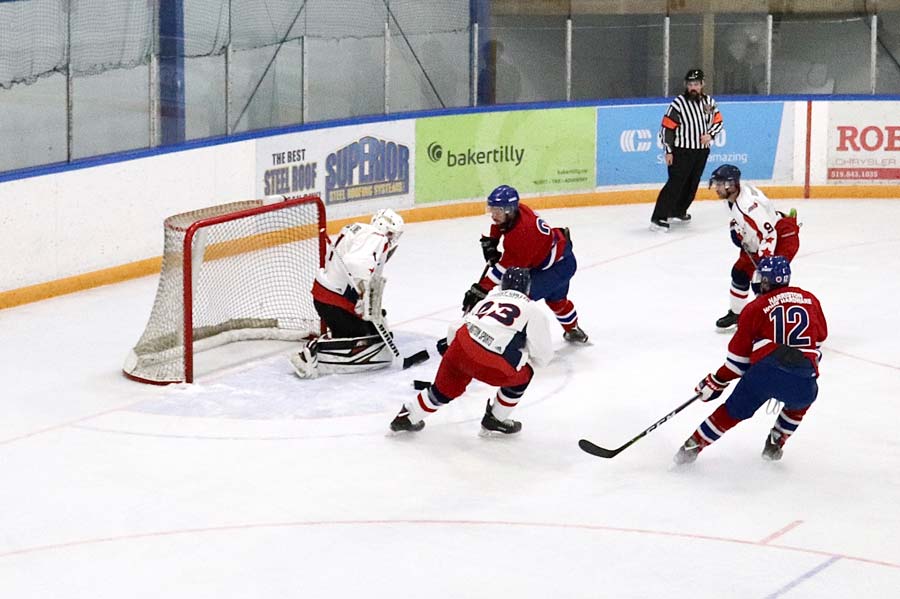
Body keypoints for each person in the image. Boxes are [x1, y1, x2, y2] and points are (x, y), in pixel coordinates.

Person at [674, 256, 827, 464]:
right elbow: (820, 337)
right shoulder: (810, 299)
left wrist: (716, 381)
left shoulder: (756, 307)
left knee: (731, 412)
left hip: (765, 373)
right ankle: (776, 442)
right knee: (802, 400)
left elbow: (738, 363)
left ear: (765, 281)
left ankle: (691, 447)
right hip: (802, 376)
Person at [390, 268, 553, 435]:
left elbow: (455, 328)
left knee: (443, 390)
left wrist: (455, 354)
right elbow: (543, 355)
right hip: (493, 363)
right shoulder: (532, 310)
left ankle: (406, 417)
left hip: (459, 347)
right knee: (525, 373)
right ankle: (496, 418)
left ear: (502, 285)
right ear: (528, 288)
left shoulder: (486, 301)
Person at [461, 184, 588, 343]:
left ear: (509, 210)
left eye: (497, 211)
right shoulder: (518, 212)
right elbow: (500, 226)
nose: (493, 215)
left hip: (556, 268)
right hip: (559, 259)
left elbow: (503, 269)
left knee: (515, 297)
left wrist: (480, 289)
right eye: (491, 209)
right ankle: (573, 329)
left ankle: (514, 341)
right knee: (556, 300)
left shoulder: (523, 235)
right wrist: (493, 241)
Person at [290, 208, 404, 378]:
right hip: (335, 303)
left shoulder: (358, 229)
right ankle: (311, 352)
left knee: (373, 330)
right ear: (385, 228)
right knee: (367, 339)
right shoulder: (377, 238)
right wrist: (364, 294)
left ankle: (333, 338)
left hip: (326, 298)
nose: (393, 238)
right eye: (392, 233)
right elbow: (355, 264)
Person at [709, 164, 801, 332]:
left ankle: (775, 322)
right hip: (761, 239)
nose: (716, 187)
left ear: (731, 184)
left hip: (780, 239)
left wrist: (766, 262)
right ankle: (737, 313)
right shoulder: (734, 196)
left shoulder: (748, 206)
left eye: (720, 184)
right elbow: (744, 220)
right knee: (740, 273)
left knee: (765, 283)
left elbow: (770, 233)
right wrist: (736, 228)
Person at [650, 68, 723, 232]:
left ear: (702, 84)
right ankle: (658, 217)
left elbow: (718, 121)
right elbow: (666, 128)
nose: (693, 88)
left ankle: (678, 210)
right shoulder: (678, 104)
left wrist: (710, 135)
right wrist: (668, 151)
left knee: (692, 184)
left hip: (701, 151)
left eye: (696, 84)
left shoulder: (709, 103)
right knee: (675, 184)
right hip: (681, 151)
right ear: (686, 85)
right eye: (690, 84)